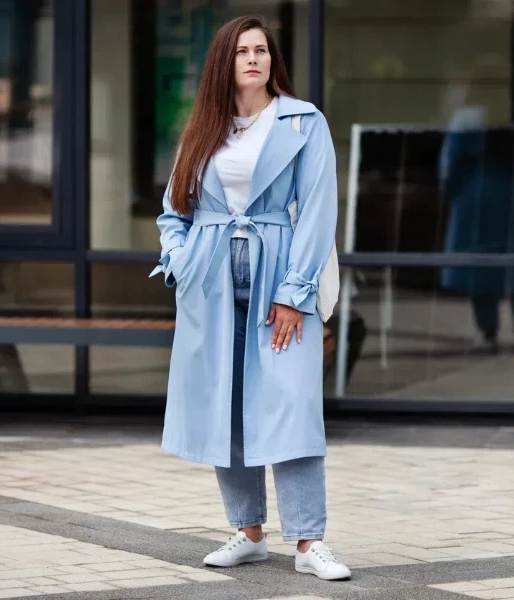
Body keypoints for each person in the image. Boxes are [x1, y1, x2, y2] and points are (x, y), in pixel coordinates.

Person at [149, 15, 350, 581]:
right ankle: (249, 531)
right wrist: (180, 262)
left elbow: (317, 212)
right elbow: (174, 210)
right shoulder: (203, 128)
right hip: (210, 279)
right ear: (225, 63)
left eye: (261, 50)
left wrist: (294, 294)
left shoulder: (303, 122)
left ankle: (310, 543)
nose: (254, 59)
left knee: (293, 404)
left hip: (279, 271)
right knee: (225, 403)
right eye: (242, 52)